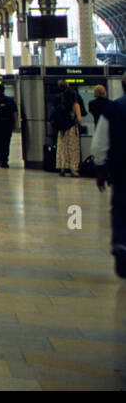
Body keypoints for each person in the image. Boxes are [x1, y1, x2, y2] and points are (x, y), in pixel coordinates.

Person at [87, 87, 126, 278]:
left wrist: (100, 169)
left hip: (121, 170)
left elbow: (100, 143)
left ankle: (121, 246)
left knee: (120, 208)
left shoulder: (114, 108)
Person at [53, 89, 82, 176]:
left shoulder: (61, 105)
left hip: (62, 131)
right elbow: (79, 119)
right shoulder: (75, 105)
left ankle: (62, 169)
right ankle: (73, 170)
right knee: (72, 150)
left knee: (62, 149)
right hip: (72, 130)